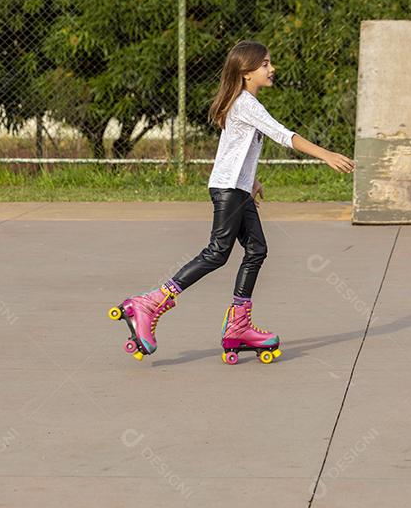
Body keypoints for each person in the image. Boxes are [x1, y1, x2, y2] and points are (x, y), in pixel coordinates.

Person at [107, 40, 355, 365]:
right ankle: (150, 302)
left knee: (257, 250)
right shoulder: (245, 102)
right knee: (217, 252)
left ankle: (238, 326)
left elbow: (235, 149)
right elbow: (284, 134)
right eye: (265, 64)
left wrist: (251, 181)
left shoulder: (243, 102)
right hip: (228, 190)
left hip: (236, 188)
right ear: (246, 71)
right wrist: (326, 155)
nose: (271, 68)